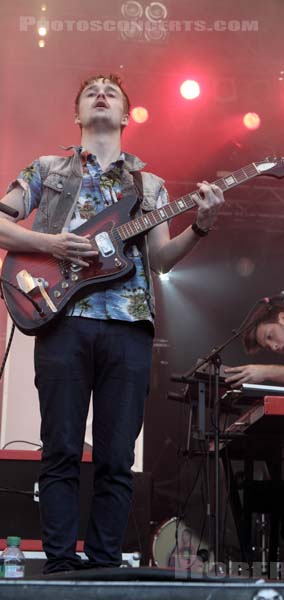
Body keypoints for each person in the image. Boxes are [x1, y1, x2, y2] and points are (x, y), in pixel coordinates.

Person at [0, 73, 224, 574]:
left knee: (116, 455)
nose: (101, 93)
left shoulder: (149, 185)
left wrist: (202, 227)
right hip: (62, 320)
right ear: (77, 114)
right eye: (90, 90)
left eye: (112, 91)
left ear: (126, 116)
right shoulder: (46, 169)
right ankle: (59, 563)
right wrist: (51, 245)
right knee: (59, 447)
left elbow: (162, 259)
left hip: (128, 327)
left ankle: (103, 565)